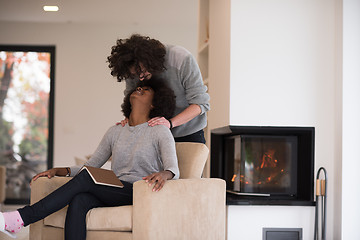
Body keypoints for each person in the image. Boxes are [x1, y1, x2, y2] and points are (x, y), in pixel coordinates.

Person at [0, 78, 179, 240]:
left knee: (87, 178)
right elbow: (91, 165)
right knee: (80, 199)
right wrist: (61, 170)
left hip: (139, 190)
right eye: (138, 87)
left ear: (155, 103)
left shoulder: (159, 130)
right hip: (115, 188)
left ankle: (22, 218)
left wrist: (165, 174)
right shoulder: (115, 131)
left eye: (146, 90)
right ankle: (20, 219)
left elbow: (173, 169)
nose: (139, 89)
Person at [107, 34, 210, 143]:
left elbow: (200, 104)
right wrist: (129, 120)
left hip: (188, 132)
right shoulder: (133, 71)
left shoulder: (181, 58)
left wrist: (170, 123)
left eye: (141, 71)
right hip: (152, 133)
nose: (140, 78)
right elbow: (132, 102)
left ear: (149, 60)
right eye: (135, 75)